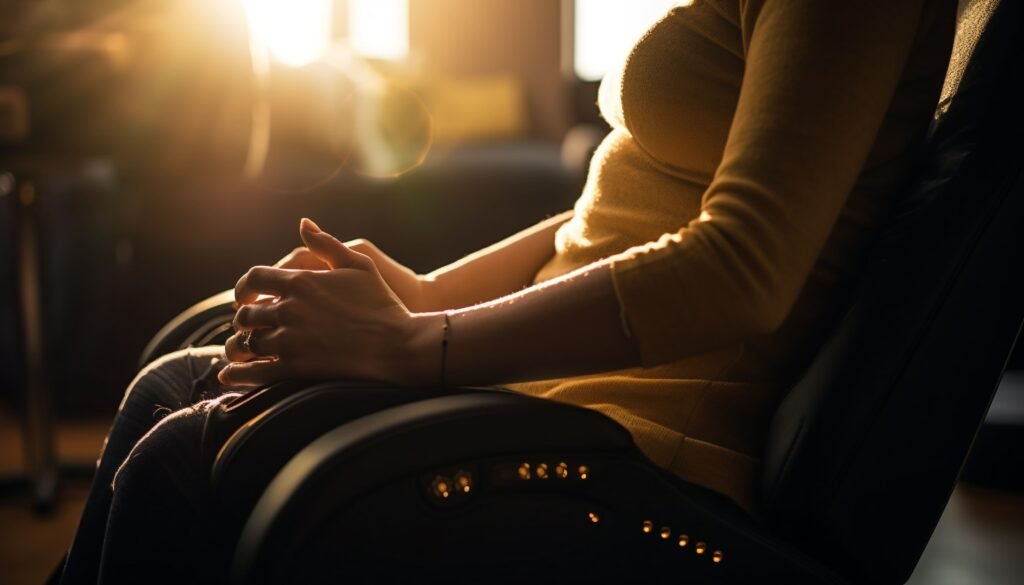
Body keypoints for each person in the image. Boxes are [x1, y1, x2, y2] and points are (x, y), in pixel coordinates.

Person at [60, 0, 957, 582]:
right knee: (183, 380)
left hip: (643, 441)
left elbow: (743, 271)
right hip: (558, 393)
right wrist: (425, 297)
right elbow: (604, 209)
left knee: (182, 458)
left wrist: (416, 343)